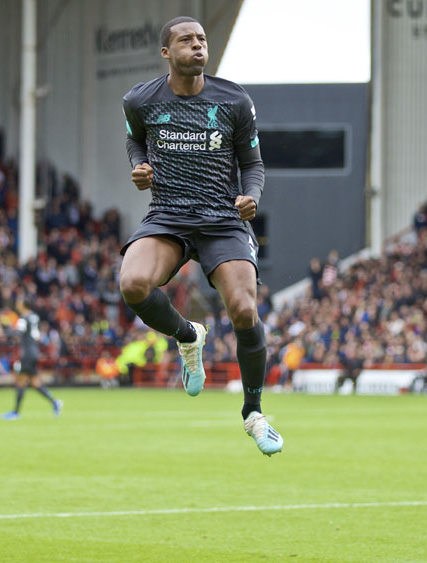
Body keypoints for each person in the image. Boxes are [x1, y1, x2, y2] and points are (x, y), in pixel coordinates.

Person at [117, 16, 281, 455]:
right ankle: (188, 336)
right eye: (186, 40)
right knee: (132, 283)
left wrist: (251, 195)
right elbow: (136, 140)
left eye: (202, 39)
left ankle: (253, 413)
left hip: (222, 220)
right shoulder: (140, 99)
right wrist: (140, 166)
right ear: (167, 53)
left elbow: (253, 164)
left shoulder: (233, 100)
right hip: (168, 215)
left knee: (244, 310)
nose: (198, 45)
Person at [2, 311, 63, 420]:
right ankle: (54, 402)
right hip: (33, 354)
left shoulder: (24, 320)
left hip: (27, 356)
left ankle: (16, 412)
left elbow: (18, 332)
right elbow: (40, 338)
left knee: (21, 382)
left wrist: (6, 330)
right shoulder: (34, 324)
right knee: (35, 383)